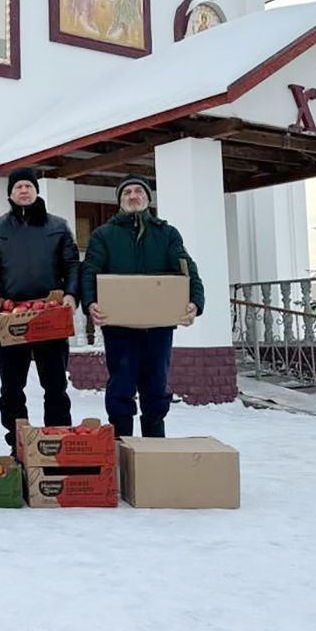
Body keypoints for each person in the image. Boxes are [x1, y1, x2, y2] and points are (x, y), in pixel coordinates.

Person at [80, 176, 203, 439]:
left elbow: (186, 268)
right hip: (119, 327)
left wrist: (195, 301)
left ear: (147, 198)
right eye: (127, 192)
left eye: (138, 191)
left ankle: (154, 445)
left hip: (158, 327)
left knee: (156, 386)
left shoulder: (167, 233)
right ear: (120, 200)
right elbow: (90, 270)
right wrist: (90, 303)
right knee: (120, 386)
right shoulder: (104, 235)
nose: (133, 195)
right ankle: (121, 445)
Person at [0, 168, 80, 455]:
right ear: (10, 193)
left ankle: (57, 438)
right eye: (18, 186)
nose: (23, 190)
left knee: (55, 384)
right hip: (11, 319)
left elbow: (72, 263)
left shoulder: (57, 226)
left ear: (36, 191)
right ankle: (18, 443)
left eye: (28, 186)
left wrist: (71, 295)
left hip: (49, 317)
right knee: (11, 387)